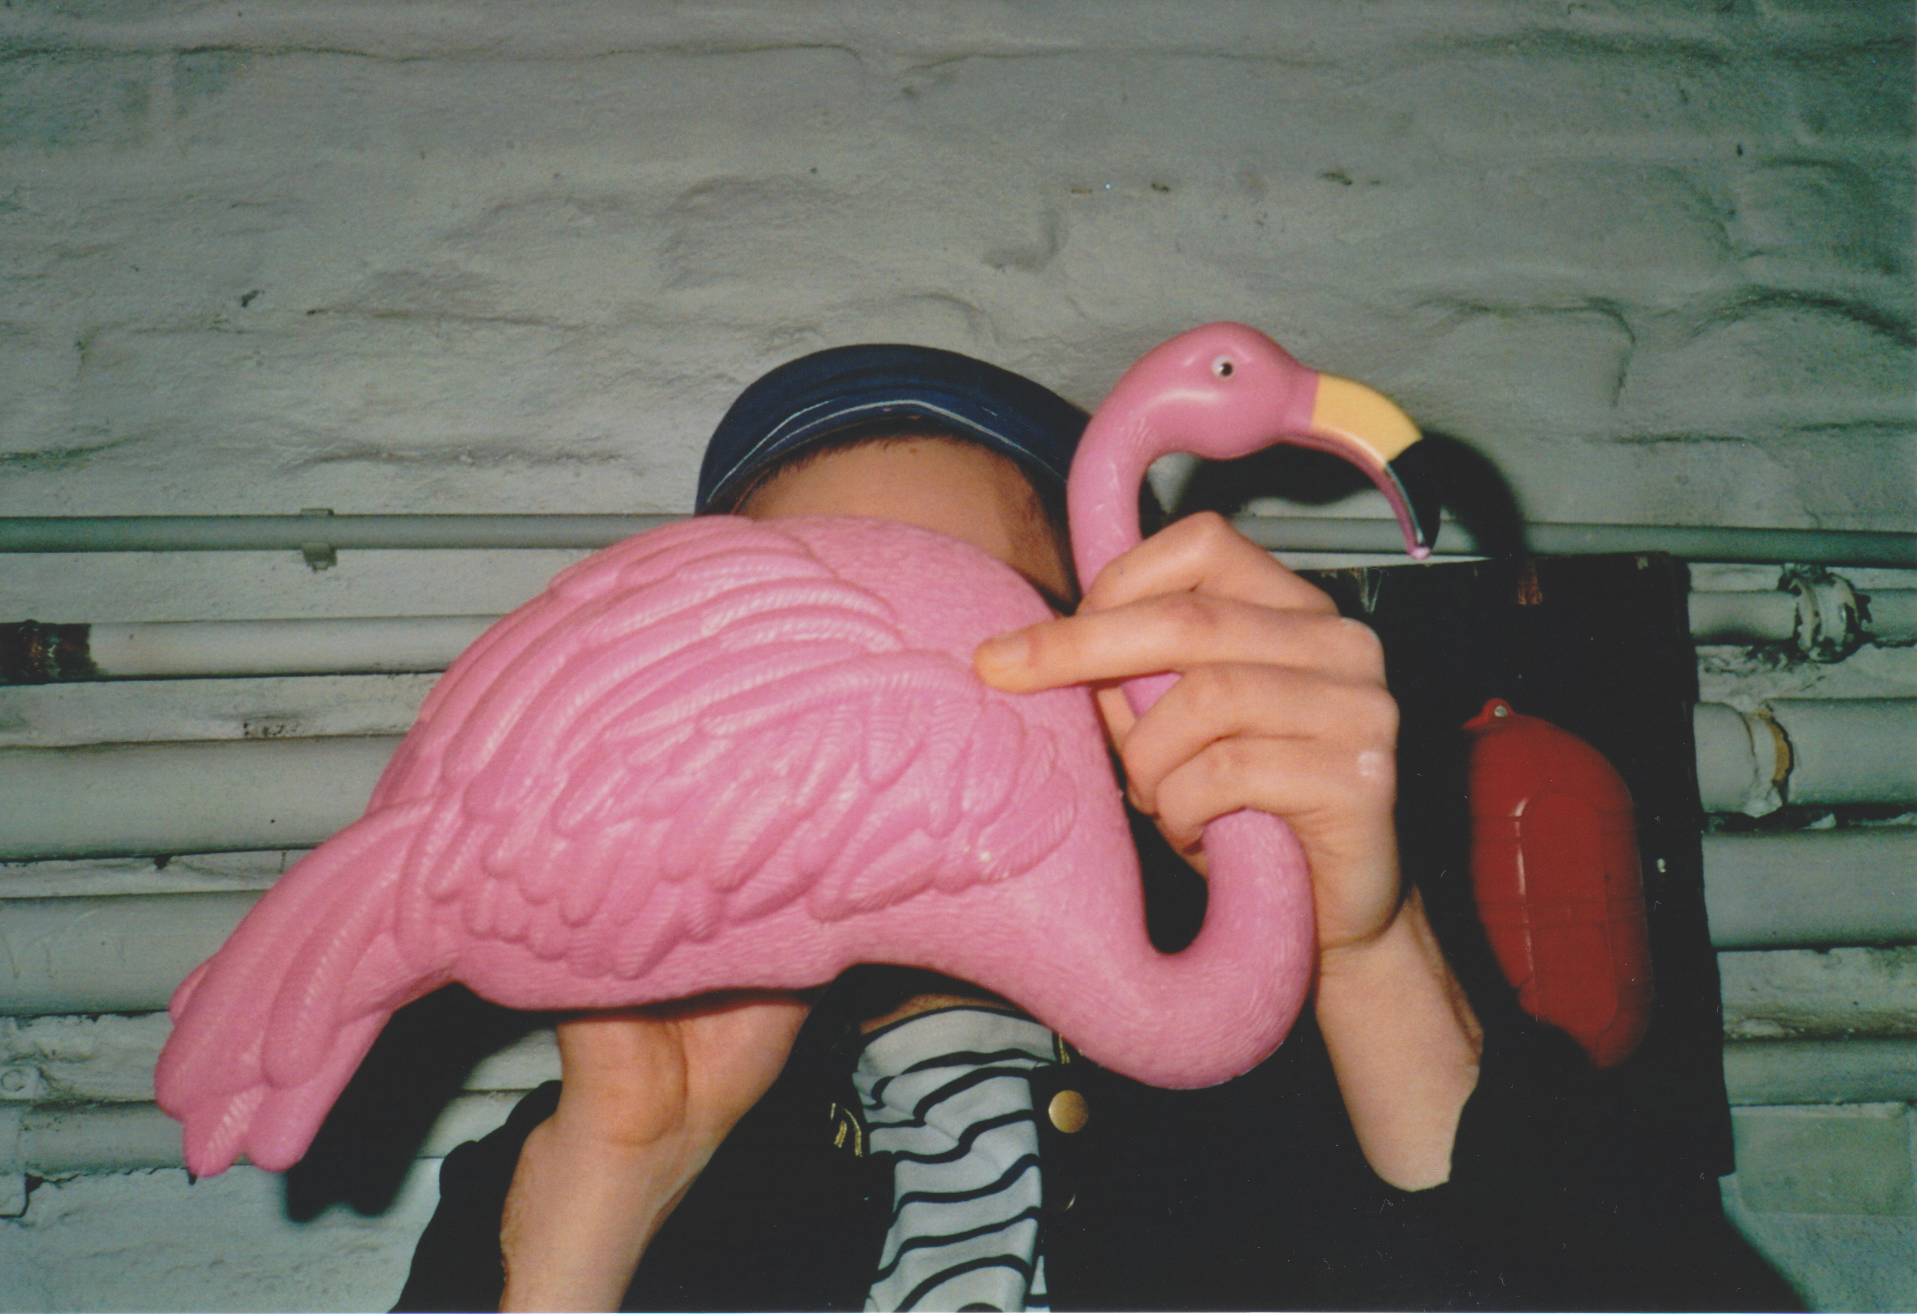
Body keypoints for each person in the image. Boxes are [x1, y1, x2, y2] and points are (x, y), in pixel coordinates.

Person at [395, 345, 1789, 1312]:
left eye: (963, 632)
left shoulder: (1319, 1119)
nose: (884, 729)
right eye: (806, 654)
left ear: (1117, 702)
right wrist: (607, 1198)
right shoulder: (568, 1164)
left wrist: (1371, 958)